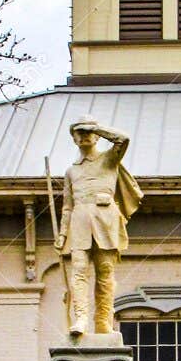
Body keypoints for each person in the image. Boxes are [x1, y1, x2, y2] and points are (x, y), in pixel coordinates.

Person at [55, 118, 142, 337]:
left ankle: (103, 321)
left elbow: (123, 140)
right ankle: (81, 320)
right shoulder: (71, 172)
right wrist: (63, 233)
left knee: (105, 273)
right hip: (79, 220)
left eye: (88, 131)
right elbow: (67, 206)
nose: (84, 135)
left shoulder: (109, 160)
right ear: (73, 138)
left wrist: (97, 128)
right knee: (79, 272)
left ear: (96, 135)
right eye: (79, 132)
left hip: (106, 220)